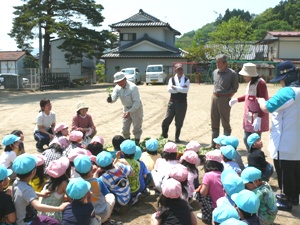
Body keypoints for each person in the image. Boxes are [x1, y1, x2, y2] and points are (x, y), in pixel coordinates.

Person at [257, 61, 300, 211]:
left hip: (285, 140)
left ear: (285, 77)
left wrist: (261, 100)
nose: (280, 83)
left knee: (284, 171)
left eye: (280, 80)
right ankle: (295, 197)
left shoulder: (288, 91)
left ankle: (285, 199)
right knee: (296, 170)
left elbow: (267, 107)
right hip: (297, 140)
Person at [12, 154, 69, 225]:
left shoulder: (16, 182)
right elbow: (38, 206)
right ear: (33, 172)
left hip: (23, 217)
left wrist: (41, 194)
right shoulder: (27, 188)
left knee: (54, 222)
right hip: (26, 222)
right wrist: (59, 208)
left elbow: (23, 193)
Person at [229, 63, 269, 151]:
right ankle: (252, 155)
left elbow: (263, 100)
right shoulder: (251, 83)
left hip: (257, 115)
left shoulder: (260, 83)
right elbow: (248, 96)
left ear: (251, 74)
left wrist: (259, 118)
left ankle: (256, 158)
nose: (244, 77)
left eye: (245, 75)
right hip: (249, 115)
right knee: (246, 138)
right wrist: (237, 100)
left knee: (255, 141)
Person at [74, 155, 115, 224]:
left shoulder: (76, 185)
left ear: (76, 170)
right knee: (111, 196)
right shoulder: (99, 181)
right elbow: (106, 194)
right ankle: (107, 219)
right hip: (102, 213)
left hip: (89, 217)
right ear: (92, 167)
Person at [209, 54, 239, 148]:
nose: (217, 64)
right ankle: (213, 143)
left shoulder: (232, 73)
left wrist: (226, 97)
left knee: (225, 122)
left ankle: (225, 143)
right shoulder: (215, 72)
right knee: (214, 121)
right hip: (214, 98)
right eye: (216, 62)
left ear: (225, 63)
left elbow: (235, 88)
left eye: (219, 62)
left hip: (224, 99)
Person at [107, 72, 143, 145]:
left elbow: (137, 102)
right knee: (125, 129)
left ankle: (136, 144)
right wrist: (110, 100)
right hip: (126, 108)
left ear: (125, 79)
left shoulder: (133, 87)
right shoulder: (117, 87)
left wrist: (130, 112)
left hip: (136, 109)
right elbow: (114, 97)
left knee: (137, 128)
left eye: (121, 81)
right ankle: (128, 144)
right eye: (118, 82)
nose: (120, 83)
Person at [161, 63, 190, 143]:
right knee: (167, 119)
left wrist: (176, 88)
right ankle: (164, 135)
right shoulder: (172, 79)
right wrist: (180, 89)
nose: (180, 71)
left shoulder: (187, 80)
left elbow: (185, 91)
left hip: (182, 103)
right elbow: (169, 90)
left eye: (181, 69)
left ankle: (177, 137)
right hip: (172, 103)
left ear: (183, 70)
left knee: (179, 121)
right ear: (176, 70)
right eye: (178, 70)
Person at [195, 150, 225, 224]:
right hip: (225, 204)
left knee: (198, 194)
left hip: (215, 206)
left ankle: (207, 215)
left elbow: (203, 193)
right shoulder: (223, 173)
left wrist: (199, 188)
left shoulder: (208, 175)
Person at [41, 156, 70, 222]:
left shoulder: (48, 182)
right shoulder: (63, 183)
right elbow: (70, 199)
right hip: (54, 216)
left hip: (42, 214)